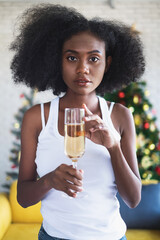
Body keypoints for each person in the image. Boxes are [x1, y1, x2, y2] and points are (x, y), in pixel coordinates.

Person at [10, 4, 145, 240]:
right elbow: (23, 198)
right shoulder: (37, 117)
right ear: (57, 61)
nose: (83, 69)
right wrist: (50, 180)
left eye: (94, 58)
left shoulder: (120, 116)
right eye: (72, 57)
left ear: (108, 63)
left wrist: (113, 147)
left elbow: (133, 200)